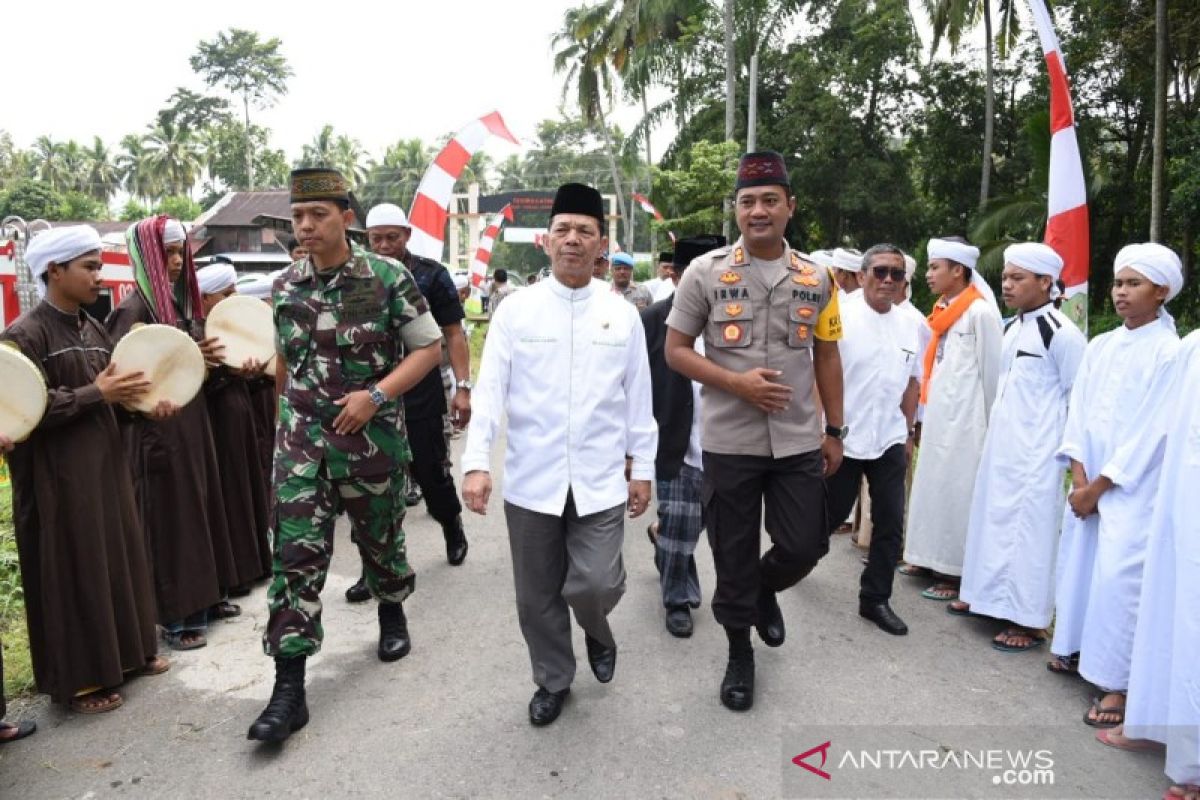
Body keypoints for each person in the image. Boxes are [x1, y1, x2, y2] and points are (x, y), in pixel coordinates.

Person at [247, 169, 443, 744]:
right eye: (298, 218)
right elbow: (285, 362)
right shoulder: (284, 286)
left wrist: (376, 395)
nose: (305, 227)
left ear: (346, 218)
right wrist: (282, 426)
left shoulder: (386, 277)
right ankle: (289, 688)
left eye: (318, 216)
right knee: (294, 558)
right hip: (301, 443)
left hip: (369, 437)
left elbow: (427, 348)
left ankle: (391, 608)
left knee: (380, 537)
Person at [461, 182, 656, 727]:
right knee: (537, 596)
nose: (573, 240)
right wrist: (477, 463)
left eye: (585, 232)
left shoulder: (623, 316)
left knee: (593, 582)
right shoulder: (515, 312)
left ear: (601, 244)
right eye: (564, 230)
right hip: (532, 479)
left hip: (599, 481)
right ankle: (553, 679)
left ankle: (596, 627)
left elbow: (640, 402)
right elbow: (491, 392)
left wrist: (642, 470)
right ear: (546, 241)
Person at [664, 151, 845, 712]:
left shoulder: (819, 277)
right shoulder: (707, 272)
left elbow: (828, 356)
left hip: (795, 438)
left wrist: (834, 428)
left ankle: (765, 591)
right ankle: (739, 651)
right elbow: (674, 351)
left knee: (805, 542)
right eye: (747, 202)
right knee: (733, 551)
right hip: (730, 441)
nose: (758, 210)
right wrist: (736, 384)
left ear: (790, 207)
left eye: (769, 200)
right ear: (736, 211)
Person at [2, 226, 165, 714]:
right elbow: (23, 409)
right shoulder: (23, 335)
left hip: (104, 467)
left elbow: (113, 396)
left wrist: (144, 406)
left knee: (117, 559)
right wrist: (99, 394)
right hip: (58, 480)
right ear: (54, 271)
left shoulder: (92, 329)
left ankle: (129, 656)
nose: (99, 277)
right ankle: (81, 681)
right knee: (73, 570)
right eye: (89, 267)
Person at [1050, 243, 1183, 729]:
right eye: (1118, 283)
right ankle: (1075, 647)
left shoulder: (1171, 354)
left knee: (1121, 580)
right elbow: (1080, 411)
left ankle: (1119, 685)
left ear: (1161, 291)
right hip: (1090, 482)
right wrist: (1080, 474)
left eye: (1134, 284)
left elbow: (1154, 432)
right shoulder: (1103, 344)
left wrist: (1100, 487)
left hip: (1134, 488)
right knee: (1081, 566)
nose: (1122, 293)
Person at [107, 216, 239, 650]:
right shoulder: (131, 312)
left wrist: (212, 363)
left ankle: (207, 599)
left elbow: (195, 368)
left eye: (182, 251)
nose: (179, 262)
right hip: (158, 432)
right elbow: (123, 383)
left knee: (201, 509)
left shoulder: (185, 308)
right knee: (172, 521)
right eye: (168, 253)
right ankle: (180, 619)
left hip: (193, 423)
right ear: (146, 257)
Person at [951, 243, 1086, 651]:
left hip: (1038, 454)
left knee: (1028, 533)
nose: (1007, 285)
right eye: (1006, 277)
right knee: (993, 521)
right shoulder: (1012, 327)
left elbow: (1077, 398)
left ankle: (1029, 622)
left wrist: (1066, 458)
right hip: (1003, 447)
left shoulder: (1062, 334)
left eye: (1017, 278)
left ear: (1045, 283)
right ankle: (988, 598)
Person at [352, 202, 470, 584]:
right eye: (376, 239)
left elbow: (453, 334)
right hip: (369, 392)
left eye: (392, 237)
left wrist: (463, 388)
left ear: (407, 236)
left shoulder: (432, 276)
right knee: (367, 485)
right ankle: (372, 567)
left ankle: (450, 523)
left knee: (429, 470)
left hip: (420, 390)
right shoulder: (353, 276)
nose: (384, 245)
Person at [1113, 330, 1200, 800]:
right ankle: (1162, 726)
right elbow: (1161, 424)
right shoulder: (1194, 346)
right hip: (1183, 503)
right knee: (1177, 612)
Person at [823, 244, 922, 636]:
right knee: (825, 522)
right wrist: (824, 431)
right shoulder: (839, 315)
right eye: (879, 272)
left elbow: (912, 381)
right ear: (862, 276)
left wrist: (910, 432)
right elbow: (820, 374)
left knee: (890, 524)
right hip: (845, 438)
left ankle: (875, 599)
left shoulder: (911, 323)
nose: (887, 280)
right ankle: (783, 569)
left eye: (896, 274)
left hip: (889, 439)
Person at [900, 237, 1002, 601]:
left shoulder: (981, 313)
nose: (928, 275)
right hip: (941, 414)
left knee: (958, 492)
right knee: (934, 486)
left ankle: (954, 570)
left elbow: (993, 374)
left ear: (958, 271)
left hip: (968, 421)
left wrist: (990, 425)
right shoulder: (943, 309)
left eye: (934, 267)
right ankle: (926, 557)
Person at [640, 234, 725, 638]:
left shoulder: (734, 320)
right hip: (673, 441)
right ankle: (675, 599)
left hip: (726, 447)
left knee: (697, 526)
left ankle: (662, 540)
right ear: (675, 275)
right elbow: (633, 386)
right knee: (679, 524)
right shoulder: (653, 321)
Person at [197, 262, 273, 588]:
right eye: (226, 294)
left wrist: (251, 374)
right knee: (231, 493)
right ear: (204, 300)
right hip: (218, 425)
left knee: (250, 490)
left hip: (241, 418)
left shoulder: (233, 329)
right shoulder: (199, 336)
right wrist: (224, 372)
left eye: (234, 292)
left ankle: (255, 565)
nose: (234, 299)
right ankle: (237, 574)